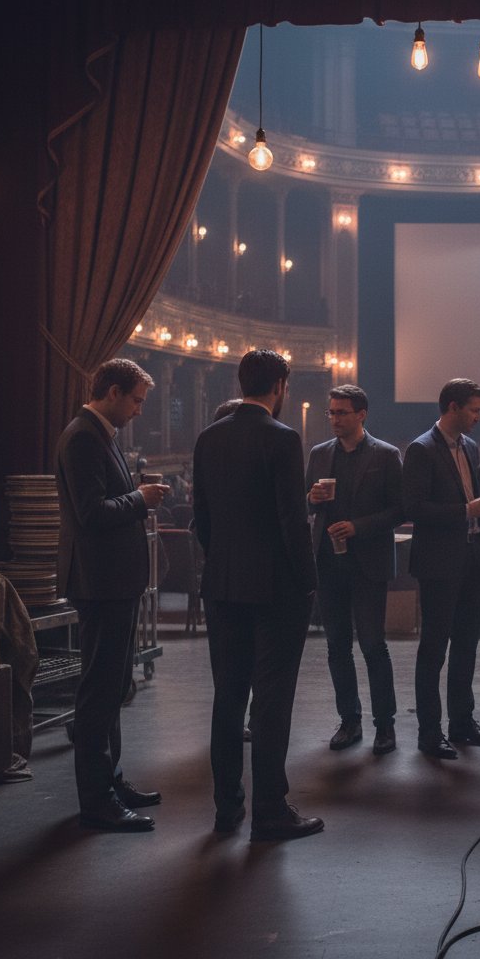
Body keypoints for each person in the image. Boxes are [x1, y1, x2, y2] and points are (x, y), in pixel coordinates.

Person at [193, 350, 323, 841]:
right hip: (276, 588)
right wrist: (308, 580)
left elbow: (202, 518)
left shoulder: (209, 437)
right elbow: (293, 520)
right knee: (272, 699)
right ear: (281, 386)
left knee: (228, 697)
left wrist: (223, 559)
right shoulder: (283, 438)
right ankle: (270, 808)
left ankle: (228, 808)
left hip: (223, 584)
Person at [56, 358, 168, 832]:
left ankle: (111, 780)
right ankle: (96, 801)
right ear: (114, 392)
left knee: (115, 685)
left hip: (113, 584)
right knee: (99, 692)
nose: (140, 410)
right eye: (137, 400)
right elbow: (91, 513)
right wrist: (140, 499)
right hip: (100, 585)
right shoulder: (83, 436)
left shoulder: (98, 434)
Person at [402, 378, 480, 760]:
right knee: (433, 649)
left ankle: (462, 723)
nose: (479, 417)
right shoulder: (421, 449)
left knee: (466, 646)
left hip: (472, 555)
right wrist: (467, 511)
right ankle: (430, 732)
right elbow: (413, 508)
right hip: (439, 562)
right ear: (453, 406)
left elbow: (470, 500)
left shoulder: (470, 447)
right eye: (474, 409)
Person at [306, 385, 404, 755]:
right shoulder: (318, 454)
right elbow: (304, 502)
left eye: (342, 412)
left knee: (374, 646)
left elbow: (400, 509)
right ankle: (350, 721)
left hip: (368, 562)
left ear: (361, 414)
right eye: (331, 412)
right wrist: (310, 499)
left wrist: (358, 526)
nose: (334, 418)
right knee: (336, 647)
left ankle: (385, 726)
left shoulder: (386, 454)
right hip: (328, 562)